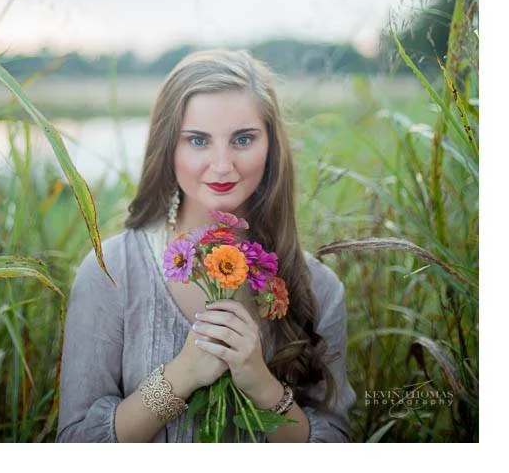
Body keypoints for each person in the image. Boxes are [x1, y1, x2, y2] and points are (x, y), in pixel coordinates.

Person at [56, 49, 356, 442]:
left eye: (243, 139)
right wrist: (181, 376)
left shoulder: (319, 287)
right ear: (169, 148)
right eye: (198, 140)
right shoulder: (112, 271)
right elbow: (76, 444)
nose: (222, 165)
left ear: (271, 147)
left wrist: (263, 387)